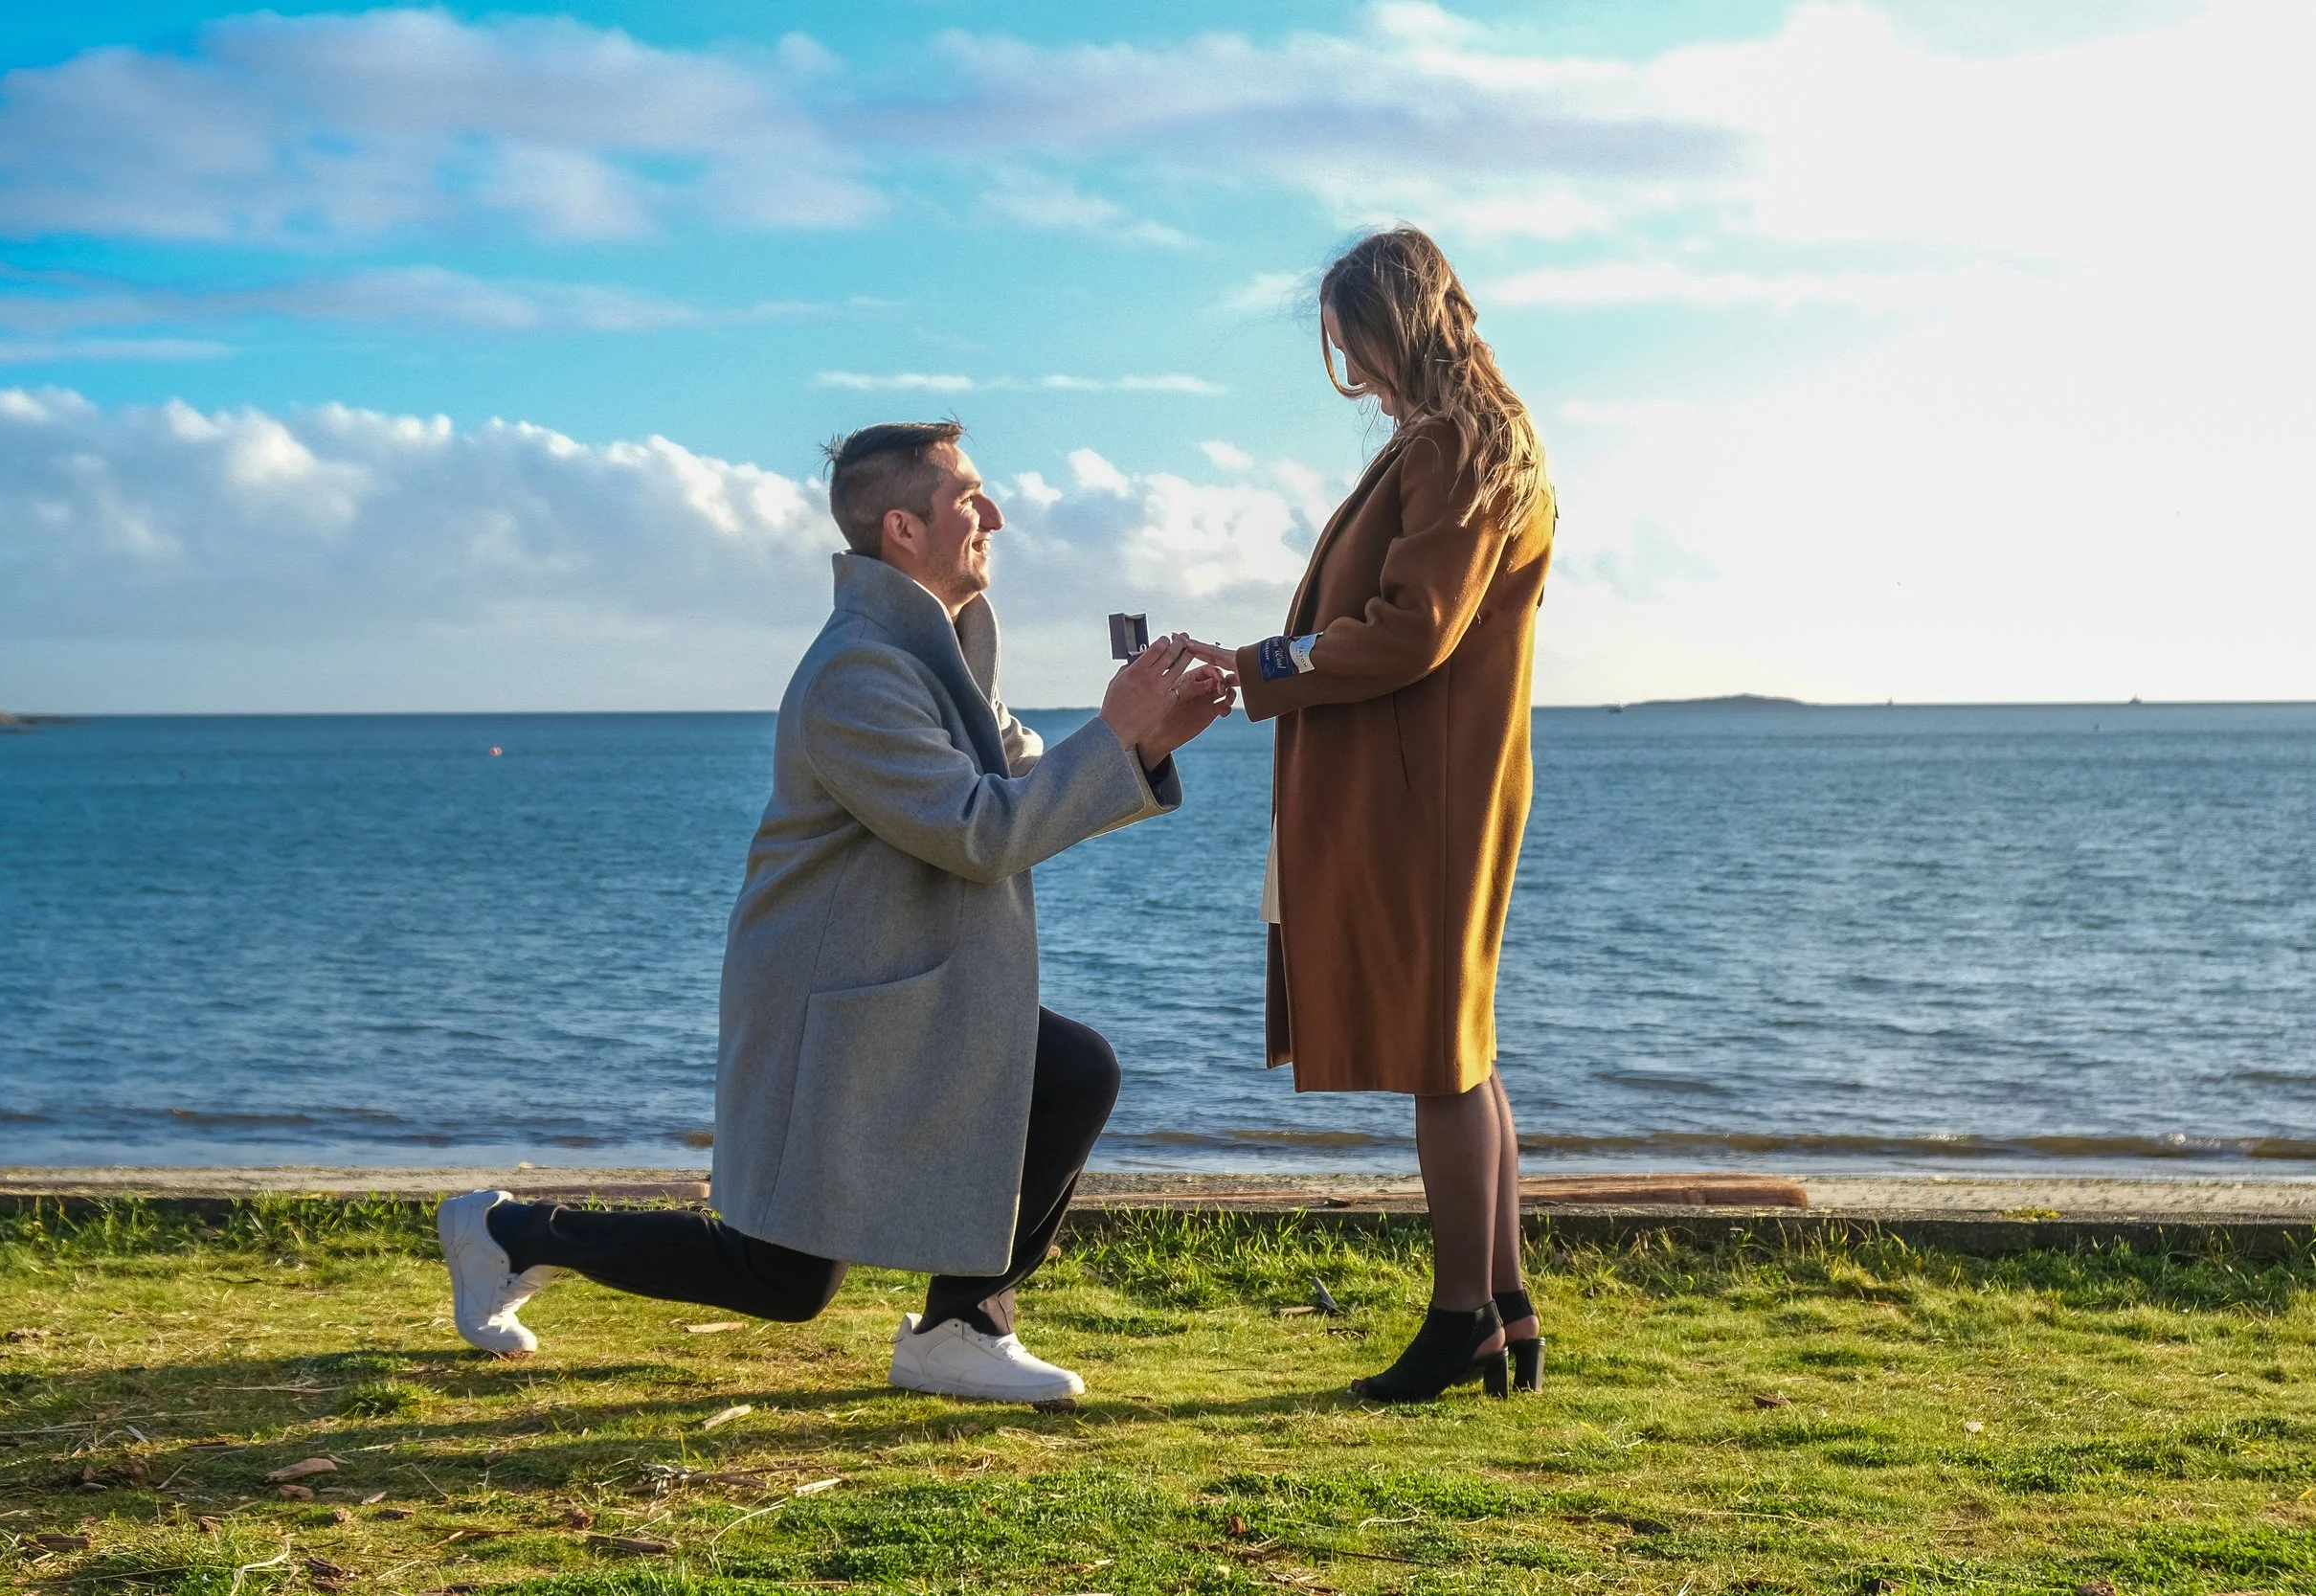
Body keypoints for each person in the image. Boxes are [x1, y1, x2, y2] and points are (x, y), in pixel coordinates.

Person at [436, 419, 1237, 1404]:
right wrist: (1115, 737)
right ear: (903, 527)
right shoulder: (859, 671)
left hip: (900, 989)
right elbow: (979, 829)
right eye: (968, 497)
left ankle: (963, 1326)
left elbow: (1024, 774)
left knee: (1071, 1071)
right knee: (780, 1279)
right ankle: (507, 1231)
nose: (994, 514)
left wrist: (1144, 738)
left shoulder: (931, 653)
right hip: (831, 1004)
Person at [1190, 228, 1558, 1401]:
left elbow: (1412, 628)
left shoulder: (1450, 444)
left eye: (1352, 345)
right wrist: (1265, 662)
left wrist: (1258, 664)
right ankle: (1501, 1303)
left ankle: (1461, 1318)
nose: (1350, 372)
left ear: (1390, 331)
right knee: (1461, 1047)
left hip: (1420, 792)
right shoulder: (1478, 441)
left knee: (1441, 1057)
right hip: (1444, 780)